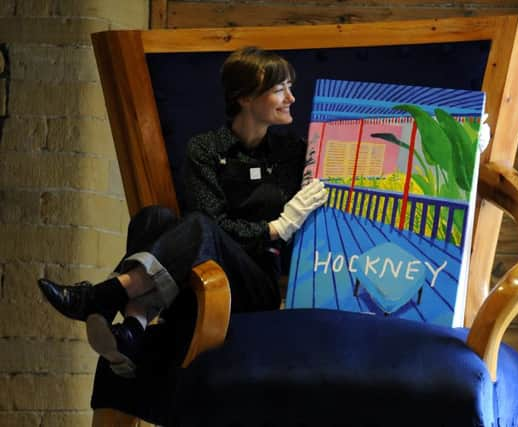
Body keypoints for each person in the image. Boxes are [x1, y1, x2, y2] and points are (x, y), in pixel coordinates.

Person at [37, 47, 328, 378]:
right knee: (154, 217)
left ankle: (104, 295)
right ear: (245, 98)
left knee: (199, 225)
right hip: (202, 276)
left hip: (256, 284)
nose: (291, 97)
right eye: (279, 89)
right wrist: (277, 227)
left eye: (290, 87)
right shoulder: (205, 149)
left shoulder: (293, 153)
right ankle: (132, 329)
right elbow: (215, 225)